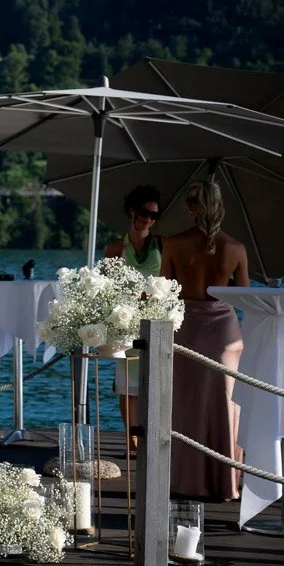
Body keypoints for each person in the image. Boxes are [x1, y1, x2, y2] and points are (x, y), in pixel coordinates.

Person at [162, 179, 249, 502]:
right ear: (221, 208)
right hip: (225, 330)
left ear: (190, 209)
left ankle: (187, 480)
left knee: (187, 403)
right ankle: (225, 482)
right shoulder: (236, 248)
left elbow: (165, 291)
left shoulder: (173, 243)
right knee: (225, 404)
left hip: (186, 327)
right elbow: (244, 296)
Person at [104, 185, 164, 456]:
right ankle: (131, 442)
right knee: (127, 386)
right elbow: (107, 288)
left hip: (156, 320)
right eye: (144, 212)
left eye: (154, 215)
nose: (148, 219)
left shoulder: (162, 245)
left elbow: (171, 281)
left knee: (154, 384)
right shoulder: (116, 247)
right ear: (132, 211)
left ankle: (152, 438)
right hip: (125, 320)